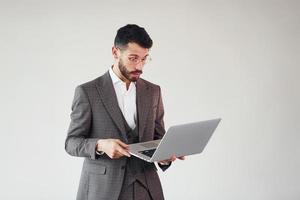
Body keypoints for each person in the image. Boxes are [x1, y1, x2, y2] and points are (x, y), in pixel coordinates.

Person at [65, 24, 184, 200]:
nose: (140, 66)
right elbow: (71, 143)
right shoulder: (87, 92)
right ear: (115, 52)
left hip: (147, 188)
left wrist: (165, 156)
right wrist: (100, 145)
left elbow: (159, 139)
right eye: (133, 58)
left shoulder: (153, 91)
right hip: (104, 189)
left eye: (144, 59)